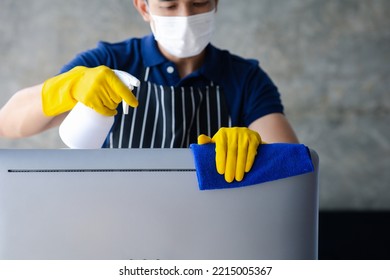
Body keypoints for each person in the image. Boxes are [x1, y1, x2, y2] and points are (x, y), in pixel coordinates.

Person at [0, 0, 298, 183]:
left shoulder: (246, 78)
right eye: (169, 5)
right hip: (110, 226)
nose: (185, 16)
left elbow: (294, 166)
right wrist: (68, 87)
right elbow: (8, 123)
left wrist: (259, 150)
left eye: (199, 3)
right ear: (144, 7)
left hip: (206, 234)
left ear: (215, 2)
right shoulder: (110, 62)